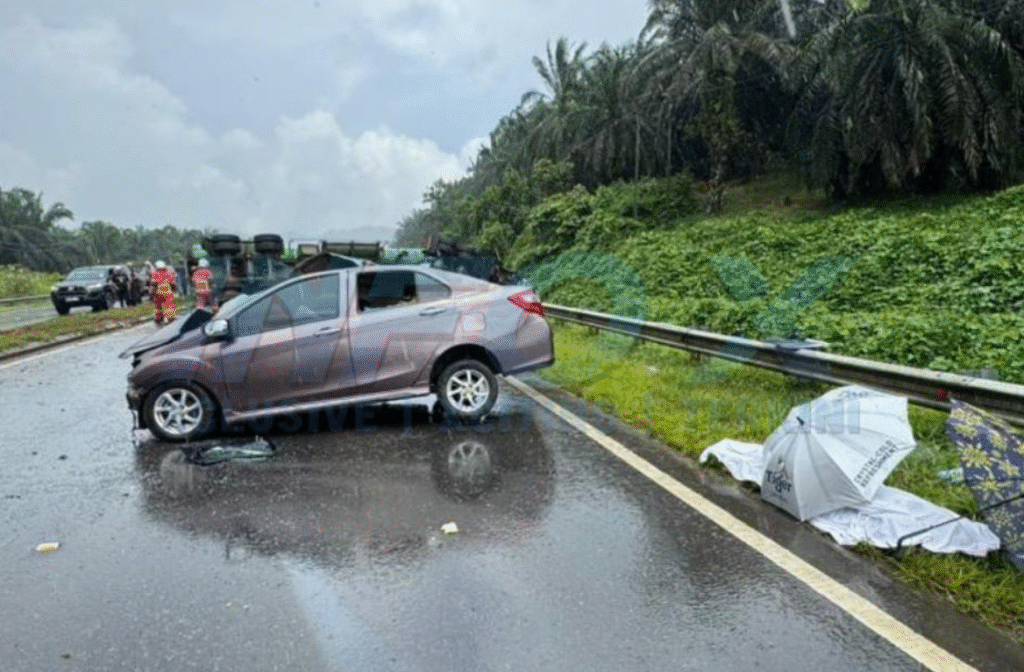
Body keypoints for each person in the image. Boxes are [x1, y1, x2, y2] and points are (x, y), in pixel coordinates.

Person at [149, 260, 178, 325]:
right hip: (168, 293)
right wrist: (174, 290)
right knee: (169, 306)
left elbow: (153, 284)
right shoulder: (169, 273)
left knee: (158, 306)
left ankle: (158, 318)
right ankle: (170, 317)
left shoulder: (155, 274)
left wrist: (151, 293)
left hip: (158, 293)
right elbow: (173, 284)